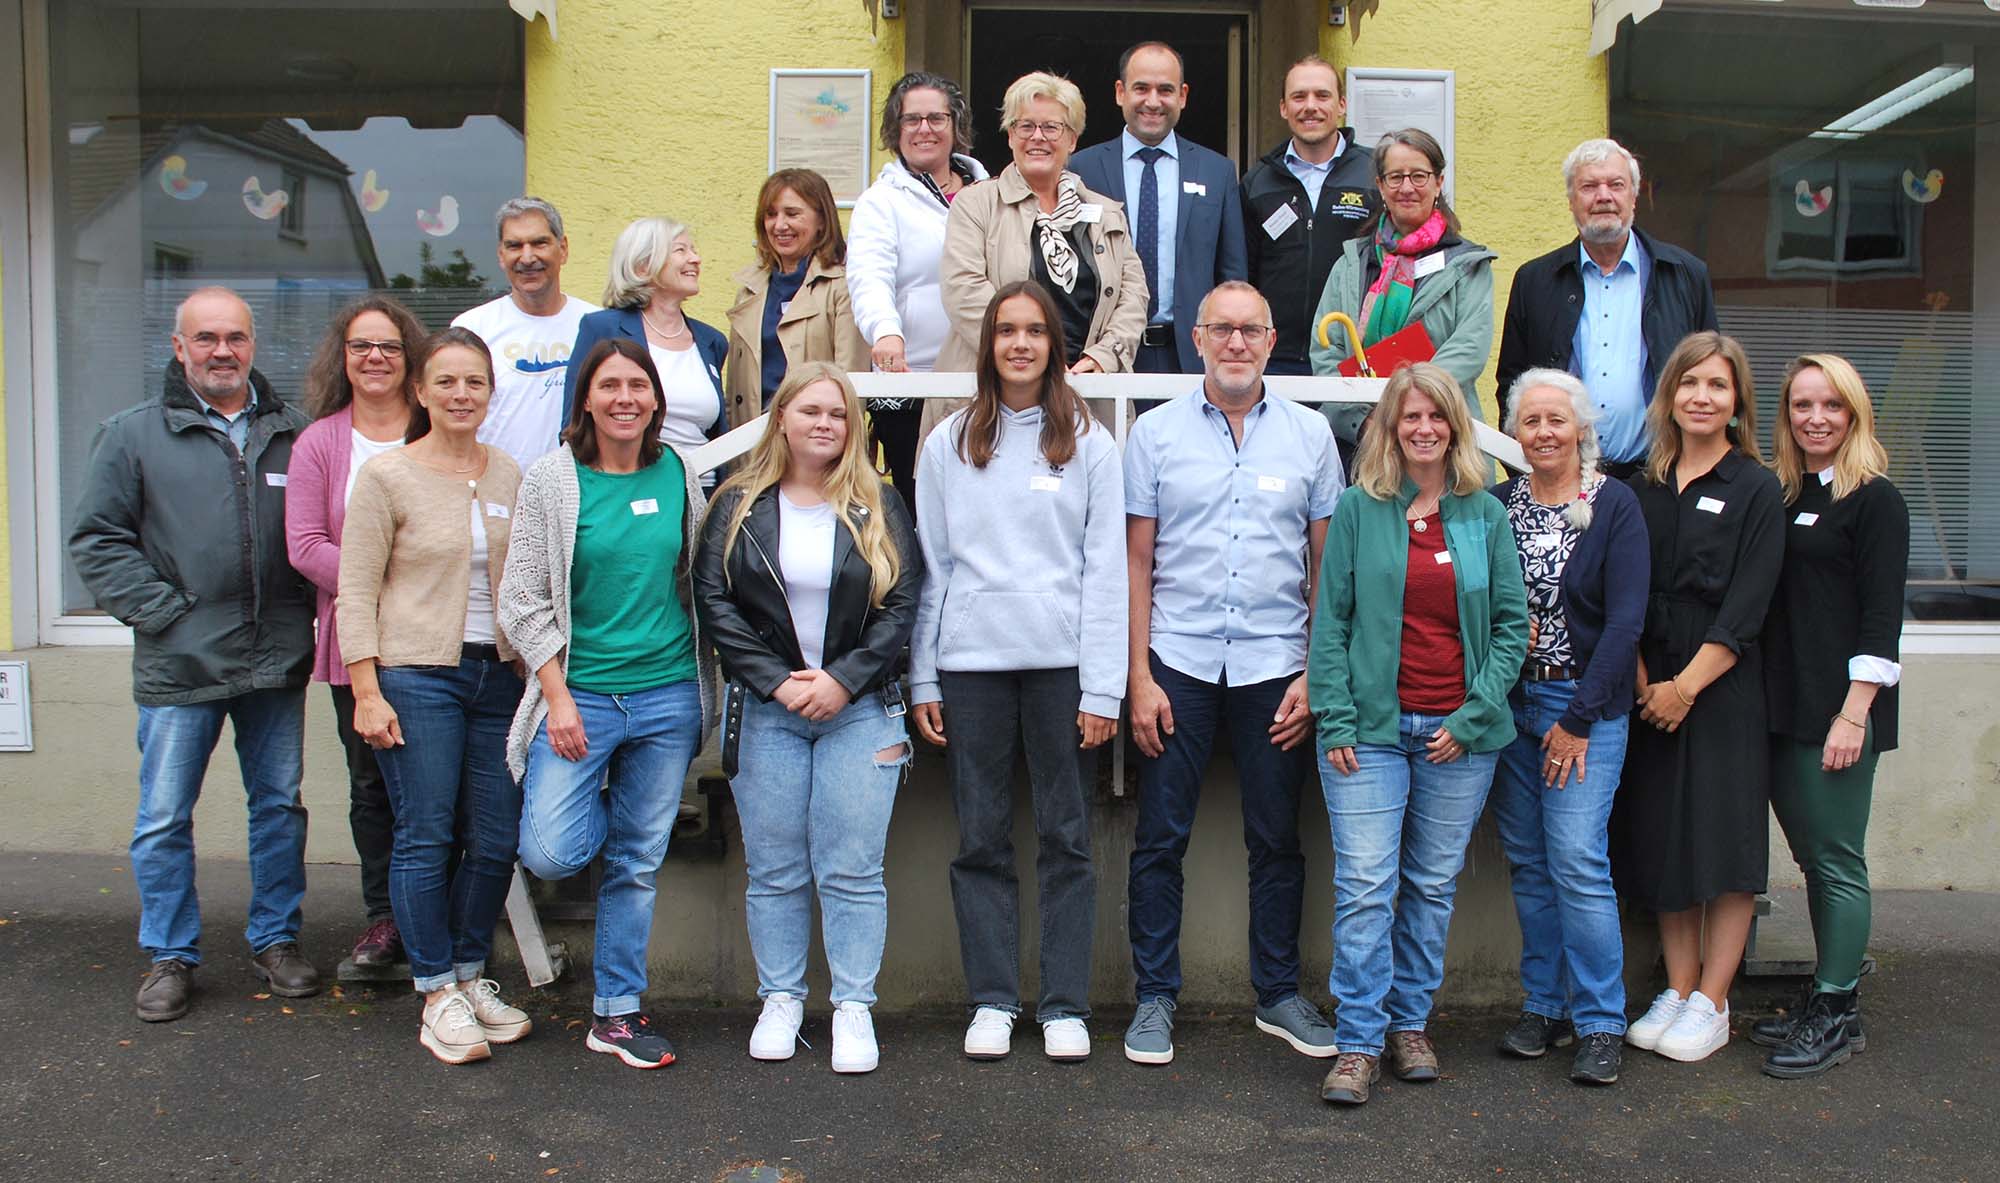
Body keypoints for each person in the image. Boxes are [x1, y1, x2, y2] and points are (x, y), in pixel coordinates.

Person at [70, 286, 320, 1023]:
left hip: (274, 659)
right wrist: (166, 615)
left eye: (235, 337)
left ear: (253, 345)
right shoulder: (132, 434)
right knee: (163, 815)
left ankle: (276, 939)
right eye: (205, 337)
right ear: (178, 347)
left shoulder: (292, 434)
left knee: (278, 807)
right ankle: (170, 954)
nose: (221, 350)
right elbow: (98, 540)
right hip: (180, 663)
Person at [1122, 280, 1345, 1067]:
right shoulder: (1154, 434)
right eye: (1223, 329)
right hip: (1177, 659)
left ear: (1272, 336)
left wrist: (1317, 673)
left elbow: (1328, 564)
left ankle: (1279, 993)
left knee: (1276, 837)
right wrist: (1139, 676)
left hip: (1276, 664)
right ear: (1199, 338)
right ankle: (1154, 997)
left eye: (1252, 329)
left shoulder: (1313, 436)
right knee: (1159, 836)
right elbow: (1137, 561)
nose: (1238, 343)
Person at [909, 282, 1127, 1062]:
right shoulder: (949, 442)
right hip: (971, 666)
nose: (1021, 343)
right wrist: (923, 676)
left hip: (1062, 667)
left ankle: (1065, 1002)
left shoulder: (1091, 443)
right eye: (1007, 330)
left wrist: (1104, 686)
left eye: (1035, 330)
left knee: (1067, 836)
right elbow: (930, 566)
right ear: (989, 342)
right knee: (981, 836)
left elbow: (1105, 572)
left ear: (1054, 344)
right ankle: (995, 1000)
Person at [693, 362, 923, 1075]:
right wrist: (775, 683)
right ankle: (782, 999)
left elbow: (904, 604)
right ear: (782, 418)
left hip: (862, 712)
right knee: (775, 870)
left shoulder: (878, 502)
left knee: (852, 869)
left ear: (852, 426)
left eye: (839, 413)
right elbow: (713, 601)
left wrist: (843, 681)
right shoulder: (736, 503)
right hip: (769, 713)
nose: (824, 423)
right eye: (810, 410)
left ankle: (853, 1006)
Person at [1309, 362, 1529, 1106]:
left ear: (1455, 424)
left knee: (1430, 887)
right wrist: (1334, 714)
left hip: (1459, 737)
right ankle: (1360, 1042)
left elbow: (1510, 628)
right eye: (1410, 417)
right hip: (1367, 730)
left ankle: (1410, 1025)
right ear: (1390, 427)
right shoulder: (1358, 508)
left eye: (1437, 415)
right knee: (1367, 887)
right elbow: (1329, 622)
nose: (1424, 428)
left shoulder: (1484, 515)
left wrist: (1472, 718)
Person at [499, 337, 717, 1071]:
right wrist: (556, 697)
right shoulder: (552, 481)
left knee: (635, 863)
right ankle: (609, 799)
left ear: (656, 398)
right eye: (609, 385)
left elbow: (700, 578)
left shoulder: (680, 471)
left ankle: (617, 1012)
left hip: (665, 698)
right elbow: (522, 602)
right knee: (551, 849)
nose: (625, 397)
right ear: (585, 399)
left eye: (638, 385)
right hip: (581, 698)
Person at [337, 326, 530, 1065]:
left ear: (489, 393)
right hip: (417, 675)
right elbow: (355, 589)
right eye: (445, 381)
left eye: (474, 383)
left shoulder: (509, 473)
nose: (460, 395)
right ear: (420, 390)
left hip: (498, 676)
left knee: (494, 835)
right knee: (425, 831)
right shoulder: (388, 477)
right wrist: (365, 688)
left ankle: (470, 972)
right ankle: (434, 989)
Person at [1613, 331, 1785, 1065]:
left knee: (1723, 844)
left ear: (1737, 399)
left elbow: (1748, 605)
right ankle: (1679, 988)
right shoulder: (1641, 484)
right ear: (1670, 395)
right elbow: (1627, 591)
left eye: (1717, 385)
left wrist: (1686, 686)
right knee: (1665, 843)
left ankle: (1714, 1000)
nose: (1702, 397)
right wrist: (1649, 679)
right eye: (1689, 384)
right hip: (1651, 687)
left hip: (1721, 688)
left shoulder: (1756, 487)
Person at [1488, 369, 1649, 1087]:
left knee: (1578, 861)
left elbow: (1625, 622)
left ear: (1582, 429)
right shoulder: (1497, 505)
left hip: (1582, 708)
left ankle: (1601, 1021)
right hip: (1509, 708)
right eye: (1530, 421)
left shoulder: (1614, 505)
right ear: (1515, 433)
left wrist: (1580, 718)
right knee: (1527, 859)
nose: (1544, 432)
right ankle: (1545, 1005)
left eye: (1557, 419)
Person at [1753, 354, 1908, 1079]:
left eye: (1831, 405)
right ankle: (1825, 987)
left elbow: (1882, 620)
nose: (1816, 417)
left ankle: (1840, 1010)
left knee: (1837, 860)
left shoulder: (1875, 500)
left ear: (1854, 413)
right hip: (1785, 705)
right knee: (1813, 859)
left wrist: (1855, 714)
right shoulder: (1785, 495)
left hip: (1838, 713)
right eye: (1802, 405)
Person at [285, 294, 425, 973]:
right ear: (343, 357)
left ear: (409, 359)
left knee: (438, 785)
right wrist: (387, 577)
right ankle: (385, 920)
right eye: (362, 346)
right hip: (356, 643)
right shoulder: (320, 441)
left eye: (389, 346)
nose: (375, 357)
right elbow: (306, 545)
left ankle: (438, 912)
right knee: (373, 785)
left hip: (437, 639)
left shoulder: (433, 429)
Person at [932, 70, 1147, 439]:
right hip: (995, 396)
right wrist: (1032, 355)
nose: (1038, 138)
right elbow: (962, 289)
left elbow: (1134, 294)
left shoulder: (1106, 211)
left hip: (1086, 396)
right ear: (1010, 135)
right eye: (1025, 126)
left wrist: (1104, 356)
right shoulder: (976, 204)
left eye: (1052, 127)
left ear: (1073, 140)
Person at [1495, 138, 1719, 476]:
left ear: (1634, 197)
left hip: (1660, 478)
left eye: (1616, 185)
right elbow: (1512, 385)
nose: (1604, 196)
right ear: (1571, 201)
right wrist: (1528, 473)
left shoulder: (1685, 275)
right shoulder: (1535, 281)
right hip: (1563, 480)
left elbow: (1711, 377)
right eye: (1589, 186)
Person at [846, 71, 991, 510]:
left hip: (981, 376)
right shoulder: (881, 201)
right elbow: (869, 275)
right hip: (912, 380)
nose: (924, 129)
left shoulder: (989, 191)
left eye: (936, 118)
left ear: (955, 125)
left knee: (979, 497)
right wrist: (885, 332)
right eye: (912, 120)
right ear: (896, 127)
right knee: (920, 503)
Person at [1070, 41, 1248, 374]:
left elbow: (1232, 275)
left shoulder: (1217, 171)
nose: (1153, 101)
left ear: (1182, 96)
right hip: (1101, 356)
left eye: (1165, 90)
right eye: (1141, 88)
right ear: (1120, 92)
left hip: (1191, 359)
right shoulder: (1081, 170)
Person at [1310, 129, 1496, 420]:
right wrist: (1365, 421)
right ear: (1380, 187)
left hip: (1441, 432)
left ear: (1439, 183)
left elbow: (1468, 349)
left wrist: (1407, 411)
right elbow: (1326, 351)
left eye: (1419, 176)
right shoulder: (1350, 263)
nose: (1406, 187)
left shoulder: (1468, 264)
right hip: (1366, 436)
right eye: (1395, 177)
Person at [1241, 56, 1377, 376]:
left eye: (1322, 95)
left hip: (1352, 352)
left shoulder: (1375, 174)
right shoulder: (1257, 182)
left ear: (1341, 104)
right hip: (1276, 358)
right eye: (1299, 97)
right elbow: (1243, 274)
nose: (1310, 106)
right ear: (1284, 108)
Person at [453, 196, 599, 470]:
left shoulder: (596, 325)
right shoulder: (472, 329)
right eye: (514, 246)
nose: (527, 257)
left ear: (563, 249)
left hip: (580, 489)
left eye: (539, 243)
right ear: (500, 255)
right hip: (495, 491)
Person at [564, 216, 729, 459]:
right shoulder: (602, 328)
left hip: (703, 490)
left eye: (693, 250)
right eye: (680, 250)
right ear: (643, 266)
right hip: (630, 486)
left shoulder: (711, 340)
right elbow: (573, 422)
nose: (695, 258)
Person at [725, 170, 869, 431]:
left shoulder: (843, 287)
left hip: (814, 447)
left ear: (822, 221)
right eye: (771, 214)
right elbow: (735, 389)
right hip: (751, 446)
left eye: (792, 214)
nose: (780, 225)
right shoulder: (749, 290)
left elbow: (851, 384)